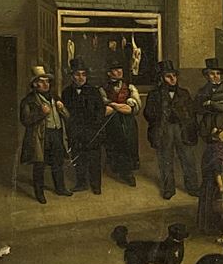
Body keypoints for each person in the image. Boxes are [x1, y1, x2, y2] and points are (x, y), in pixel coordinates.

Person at [142, 62, 200, 200]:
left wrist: (181, 116)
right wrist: (162, 115)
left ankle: (192, 187)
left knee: (188, 159)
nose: (173, 79)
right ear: (162, 78)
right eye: (168, 76)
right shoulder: (154, 95)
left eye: (174, 76)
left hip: (182, 129)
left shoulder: (184, 93)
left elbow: (191, 113)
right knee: (165, 160)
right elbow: (148, 113)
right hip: (164, 130)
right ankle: (168, 188)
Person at [17, 66, 71, 203]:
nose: (46, 84)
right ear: (35, 84)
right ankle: (39, 193)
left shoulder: (54, 97)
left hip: (56, 133)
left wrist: (62, 108)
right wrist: (41, 113)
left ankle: (60, 188)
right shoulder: (28, 100)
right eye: (42, 81)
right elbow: (26, 120)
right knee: (39, 165)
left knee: (58, 162)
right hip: (41, 136)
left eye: (47, 81)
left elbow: (67, 116)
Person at [60, 64, 106, 195]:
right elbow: (66, 114)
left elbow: (101, 111)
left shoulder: (94, 91)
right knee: (79, 158)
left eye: (83, 74)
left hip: (92, 131)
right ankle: (81, 183)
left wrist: (94, 127)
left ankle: (96, 185)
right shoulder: (66, 92)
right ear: (71, 76)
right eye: (77, 74)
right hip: (76, 132)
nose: (81, 78)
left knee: (94, 160)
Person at [101, 63, 141, 185]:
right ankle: (117, 169)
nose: (119, 72)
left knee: (130, 143)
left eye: (120, 69)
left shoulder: (130, 87)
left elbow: (135, 107)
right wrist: (123, 106)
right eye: (115, 69)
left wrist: (114, 105)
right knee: (115, 143)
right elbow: (104, 108)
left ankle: (128, 173)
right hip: (112, 122)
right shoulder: (103, 88)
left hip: (128, 122)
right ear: (109, 73)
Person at [194, 59, 223, 149]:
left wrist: (211, 104)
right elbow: (198, 109)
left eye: (218, 73)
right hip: (208, 126)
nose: (216, 76)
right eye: (212, 74)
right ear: (206, 76)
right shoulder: (202, 91)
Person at [197, 130, 223, 235]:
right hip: (213, 182)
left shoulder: (212, 148)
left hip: (209, 181)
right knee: (212, 203)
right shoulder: (216, 152)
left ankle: (205, 226)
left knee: (208, 203)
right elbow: (217, 171)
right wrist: (221, 186)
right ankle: (210, 227)